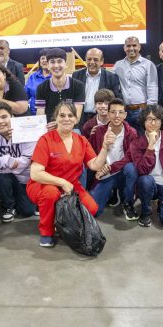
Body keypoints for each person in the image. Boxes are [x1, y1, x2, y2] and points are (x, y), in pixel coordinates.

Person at [27, 102, 113, 247]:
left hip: (72, 186)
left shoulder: (81, 140)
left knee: (92, 209)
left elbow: (95, 165)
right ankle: (47, 232)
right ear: (56, 118)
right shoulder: (45, 140)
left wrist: (105, 147)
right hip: (43, 184)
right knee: (51, 194)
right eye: (62, 115)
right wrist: (62, 183)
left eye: (70, 115)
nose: (66, 119)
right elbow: (35, 174)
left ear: (76, 119)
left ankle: (61, 223)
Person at [126, 105, 163, 228]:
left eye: (156, 119)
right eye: (149, 119)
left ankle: (162, 204)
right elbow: (142, 170)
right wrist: (150, 146)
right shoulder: (136, 143)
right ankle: (145, 212)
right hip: (148, 185)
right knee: (145, 180)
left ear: (162, 121)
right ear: (143, 121)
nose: (153, 123)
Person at [0, 103, 37, 223]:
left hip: (24, 178)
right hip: (3, 175)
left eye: (4, 117)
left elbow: (27, 159)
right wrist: (7, 160)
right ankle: (9, 206)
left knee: (27, 211)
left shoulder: (26, 132)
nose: (0, 122)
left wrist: (2, 162)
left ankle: (16, 198)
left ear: (12, 117)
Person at [88, 98, 139, 218]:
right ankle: (111, 192)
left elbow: (130, 157)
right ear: (108, 113)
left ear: (125, 115)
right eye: (113, 112)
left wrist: (110, 168)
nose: (117, 116)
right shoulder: (98, 131)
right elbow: (90, 153)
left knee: (131, 168)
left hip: (122, 172)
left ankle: (128, 202)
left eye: (120, 112)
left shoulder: (132, 133)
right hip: (104, 174)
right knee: (93, 210)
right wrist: (99, 166)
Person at [113, 36, 158, 133]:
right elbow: (114, 86)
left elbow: (152, 87)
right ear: (124, 48)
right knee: (125, 138)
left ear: (139, 47)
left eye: (134, 45)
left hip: (142, 110)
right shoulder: (118, 65)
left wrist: (150, 110)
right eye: (128, 46)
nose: (131, 48)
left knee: (142, 139)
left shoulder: (148, 65)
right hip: (123, 111)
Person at [36, 48, 85, 130]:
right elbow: (40, 116)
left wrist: (59, 123)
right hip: (50, 129)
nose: (56, 65)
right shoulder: (41, 88)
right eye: (52, 62)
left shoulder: (78, 86)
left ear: (66, 64)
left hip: (72, 128)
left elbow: (77, 117)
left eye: (59, 61)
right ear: (47, 65)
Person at [72, 48, 122, 124]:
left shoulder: (111, 77)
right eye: (89, 59)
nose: (92, 62)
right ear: (85, 60)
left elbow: (117, 100)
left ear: (102, 61)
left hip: (103, 120)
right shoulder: (76, 75)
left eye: (95, 60)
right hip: (80, 119)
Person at [24, 49, 51, 115]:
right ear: (39, 61)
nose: (45, 60)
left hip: (53, 114)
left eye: (47, 58)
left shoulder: (56, 76)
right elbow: (25, 96)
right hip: (34, 114)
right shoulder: (32, 77)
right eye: (42, 58)